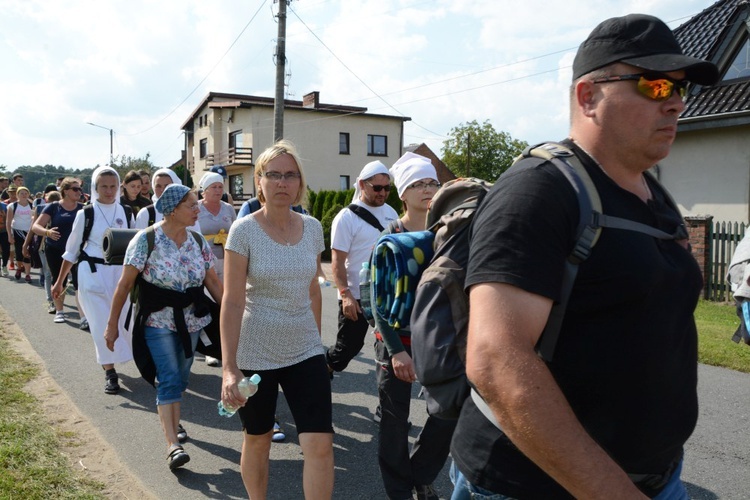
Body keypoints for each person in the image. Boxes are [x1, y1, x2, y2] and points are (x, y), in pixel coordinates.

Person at [449, 14, 720, 500]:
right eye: (656, 86)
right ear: (588, 96)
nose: (676, 103)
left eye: (682, 90)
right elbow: (495, 359)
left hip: (658, 480)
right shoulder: (539, 191)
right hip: (537, 487)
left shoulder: (655, 198)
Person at [220, 140, 333, 499]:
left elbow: (314, 291)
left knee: (320, 444)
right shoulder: (244, 231)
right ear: (259, 182)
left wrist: (315, 344)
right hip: (255, 353)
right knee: (259, 439)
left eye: (290, 175)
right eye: (274, 175)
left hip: (305, 351)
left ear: (300, 182)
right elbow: (233, 301)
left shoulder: (313, 227)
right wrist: (229, 368)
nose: (282, 182)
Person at [104, 184, 223, 471]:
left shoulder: (197, 241)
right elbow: (124, 286)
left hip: (191, 319)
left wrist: (234, 317)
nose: (198, 210)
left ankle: (174, 421)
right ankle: (173, 445)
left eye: (197, 205)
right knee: (169, 377)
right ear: (171, 210)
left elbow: (214, 284)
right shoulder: (146, 240)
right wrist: (112, 326)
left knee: (181, 377)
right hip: (157, 320)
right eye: (191, 205)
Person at [373, 153, 455, 500]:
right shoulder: (388, 237)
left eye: (432, 182)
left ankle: (420, 473)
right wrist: (396, 351)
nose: (427, 189)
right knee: (394, 421)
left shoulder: (448, 232)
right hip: (397, 340)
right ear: (402, 194)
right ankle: (399, 491)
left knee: (447, 411)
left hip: (438, 339)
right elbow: (376, 301)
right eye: (418, 184)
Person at [52, 166, 135, 395]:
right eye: (103, 186)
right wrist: (59, 282)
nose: (108, 191)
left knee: (121, 322)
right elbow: (71, 251)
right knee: (100, 324)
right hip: (92, 273)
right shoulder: (86, 213)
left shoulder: (127, 212)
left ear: (119, 187)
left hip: (120, 275)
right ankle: (110, 372)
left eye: (113, 186)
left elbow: (135, 248)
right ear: (95, 188)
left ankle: (122, 358)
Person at [326, 161, 398, 377]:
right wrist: (345, 295)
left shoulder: (392, 213)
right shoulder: (346, 218)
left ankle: (390, 383)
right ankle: (322, 369)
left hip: (385, 293)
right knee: (347, 348)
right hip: (356, 295)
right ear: (362, 185)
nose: (382, 193)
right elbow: (337, 261)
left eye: (387, 188)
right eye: (377, 188)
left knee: (392, 343)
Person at [32, 178, 84, 322]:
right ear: (65, 191)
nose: (79, 192)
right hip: (55, 249)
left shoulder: (83, 208)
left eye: (80, 189)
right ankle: (59, 311)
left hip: (77, 251)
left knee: (80, 282)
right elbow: (36, 226)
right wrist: (47, 232)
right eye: (75, 189)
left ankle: (83, 316)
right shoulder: (54, 207)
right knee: (58, 279)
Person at [7, 186, 34, 282]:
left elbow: (35, 219)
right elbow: (8, 221)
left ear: (28, 194)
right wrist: (10, 235)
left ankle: (27, 274)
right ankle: (19, 268)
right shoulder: (12, 206)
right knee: (19, 252)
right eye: (21, 193)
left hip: (29, 232)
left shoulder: (32, 205)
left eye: (25, 193)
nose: (24, 195)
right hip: (17, 231)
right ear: (17, 195)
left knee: (27, 252)